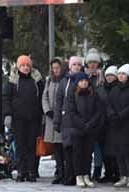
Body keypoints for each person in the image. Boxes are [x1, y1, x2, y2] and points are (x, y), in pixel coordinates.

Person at [3, 55, 44, 183]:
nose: (25, 68)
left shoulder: (37, 80)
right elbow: (5, 98)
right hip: (18, 119)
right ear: (19, 67)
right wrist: (8, 114)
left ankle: (32, 171)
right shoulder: (13, 80)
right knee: (20, 146)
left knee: (31, 146)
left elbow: (43, 97)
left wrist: (43, 114)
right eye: (23, 66)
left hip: (34, 118)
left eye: (27, 65)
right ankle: (21, 171)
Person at [66, 72, 104, 187]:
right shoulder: (73, 94)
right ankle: (79, 176)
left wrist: (91, 123)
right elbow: (71, 112)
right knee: (78, 153)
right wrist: (82, 124)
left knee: (88, 154)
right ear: (78, 83)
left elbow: (98, 111)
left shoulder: (94, 94)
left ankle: (86, 175)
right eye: (82, 81)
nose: (84, 83)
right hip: (77, 129)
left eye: (86, 81)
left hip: (90, 129)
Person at [54, 55, 84, 185]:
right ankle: (69, 176)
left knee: (78, 150)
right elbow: (58, 102)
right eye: (74, 65)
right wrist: (57, 120)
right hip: (66, 120)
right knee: (67, 149)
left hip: (79, 121)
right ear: (70, 66)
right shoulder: (64, 82)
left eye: (78, 64)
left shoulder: (83, 80)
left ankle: (79, 175)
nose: (76, 67)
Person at [104, 64, 129, 188]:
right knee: (118, 151)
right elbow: (108, 103)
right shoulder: (114, 89)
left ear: (128, 75)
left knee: (126, 151)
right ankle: (123, 176)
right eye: (120, 74)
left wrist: (121, 115)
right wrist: (112, 114)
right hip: (115, 124)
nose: (121, 76)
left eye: (123, 74)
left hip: (126, 123)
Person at [42, 58, 66, 184]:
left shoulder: (65, 80)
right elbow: (44, 96)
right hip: (51, 118)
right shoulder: (49, 80)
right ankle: (59, 172)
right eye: (54, 68)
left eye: (58, 68)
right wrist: (47, 111)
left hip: (62, 118)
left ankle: (65, 173)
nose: (56, 70)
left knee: (63, 146)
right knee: (56, 147)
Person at [84, 49, 106, 181]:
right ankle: (86, 171)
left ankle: (97, 170)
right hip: (86, 116)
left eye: (95, 62)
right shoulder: (83, 76)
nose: (92, 65)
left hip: (99, 117)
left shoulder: (102, 78)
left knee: (98, 146)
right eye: (90, 62)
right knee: (86, 147)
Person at [98, 65, 120, 184]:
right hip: (102, 124)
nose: (110, 77)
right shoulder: (101, 89)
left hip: (114, 122)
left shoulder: (118, 88)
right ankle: (108, 172)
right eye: (108, 75)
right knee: (104, 151)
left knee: (115, 151)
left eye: (112, 75)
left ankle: (116, 173)